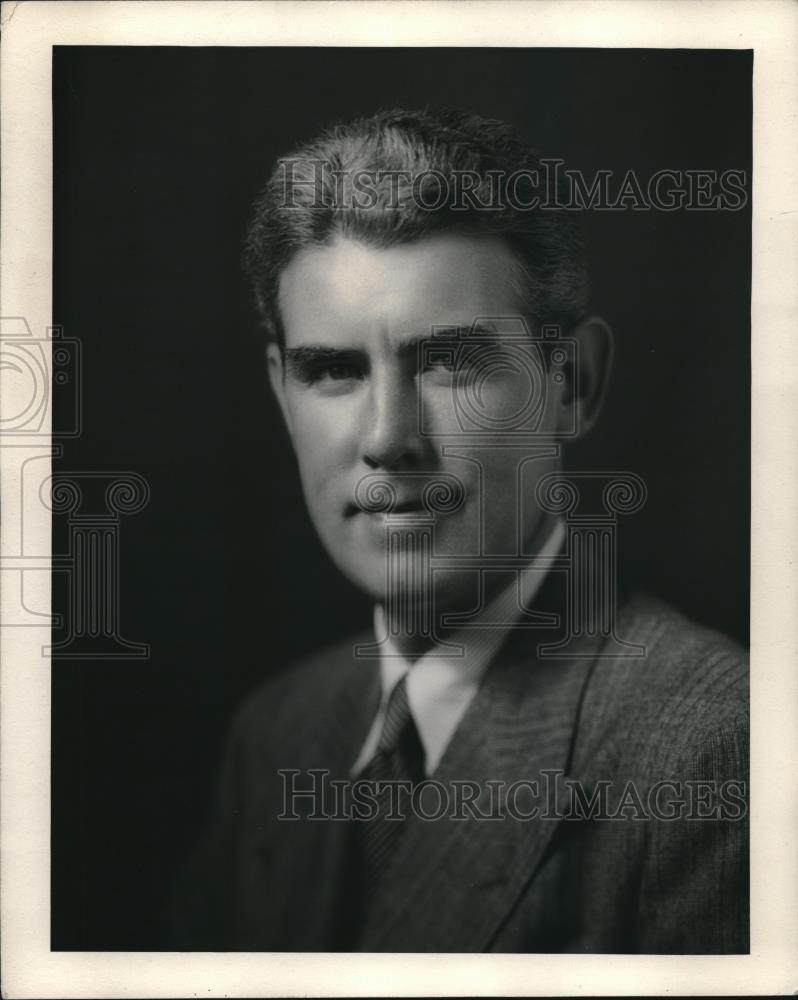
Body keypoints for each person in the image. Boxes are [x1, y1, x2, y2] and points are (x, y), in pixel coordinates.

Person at [170, 108, 748, 953]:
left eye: (448, 361)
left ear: (572, 385)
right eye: (332, 370)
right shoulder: (279, 732)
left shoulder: (714, 749)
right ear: (279, 391)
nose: (386, 437)